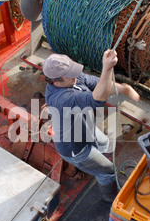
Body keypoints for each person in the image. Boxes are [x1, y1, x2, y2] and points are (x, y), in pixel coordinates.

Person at [43, 49, 140, 203]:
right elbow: (97, 99)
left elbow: (99, 84)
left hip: (85, 128)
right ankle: (110, 198)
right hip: (75, 148)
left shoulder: (73, 77)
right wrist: (107, 68)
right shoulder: (61, 99)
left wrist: (125, 89)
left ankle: (95, 164)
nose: (75, 75)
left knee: (103, 143)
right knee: (108, 171)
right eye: (70, 74)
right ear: (56, 82)